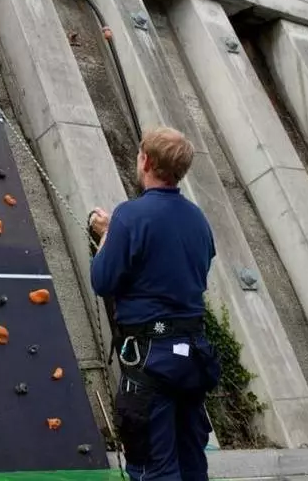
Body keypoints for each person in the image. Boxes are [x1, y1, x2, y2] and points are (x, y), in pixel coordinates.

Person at [89, 127, 221, 481]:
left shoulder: (129, 216)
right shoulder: (197, 218)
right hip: (192, 355)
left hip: (151, 359)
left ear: (146, 161)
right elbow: (188, 265)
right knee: (191, 464)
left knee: (153, 469)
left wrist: (108, 235)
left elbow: (102, 280)